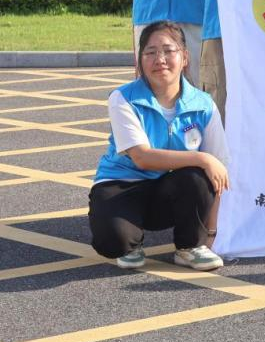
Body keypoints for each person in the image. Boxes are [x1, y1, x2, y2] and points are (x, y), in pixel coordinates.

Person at [88, 21, 229, 271]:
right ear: (140, 61)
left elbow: (219, 173)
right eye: (150, 52)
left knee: (201, 176)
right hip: (123, 184)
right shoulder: (123, 98)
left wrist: (210, 233)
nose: (160, 59)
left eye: (168, 51)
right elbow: (142, 158)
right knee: (114, 242)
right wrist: (202, 158)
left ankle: (190, 247)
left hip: (169, 188)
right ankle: (131, 241)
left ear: (184, 57)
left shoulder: (204, 104)